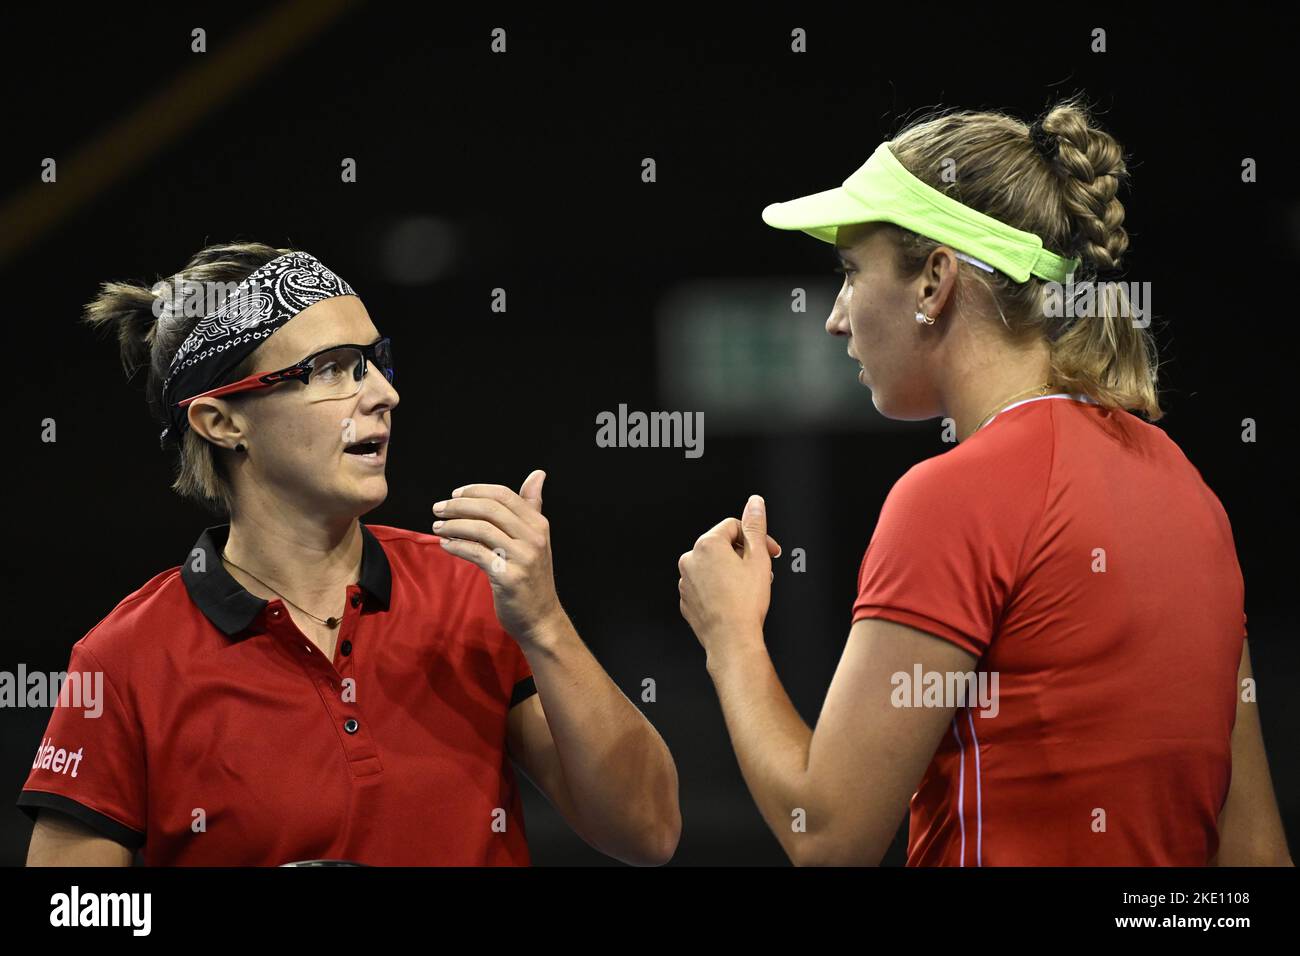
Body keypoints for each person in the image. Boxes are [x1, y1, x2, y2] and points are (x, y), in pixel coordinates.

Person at [676, 96, 1293, 865]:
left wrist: (729, 635)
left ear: (934, 282)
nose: (835, 317)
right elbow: (1257, 853)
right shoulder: (1189, 492)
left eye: (850, 273)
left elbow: (828, 834)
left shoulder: (951, 497)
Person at [20, 242, 680, 865]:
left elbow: (648, 832)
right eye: (330, 369)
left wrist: (545, 623)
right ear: (222, 422)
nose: (383, 394)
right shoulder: (123, 659)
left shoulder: (468, 589)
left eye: (372, 360)